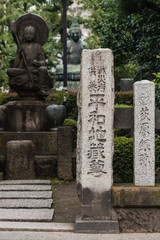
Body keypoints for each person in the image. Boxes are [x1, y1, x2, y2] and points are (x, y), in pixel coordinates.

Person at [7, 24, 53, 98]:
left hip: (35, 69)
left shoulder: (39, 47)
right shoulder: (22, 46)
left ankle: (41, 88)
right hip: (24, 69)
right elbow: (17, 63)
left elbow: (43, 62)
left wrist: (38, 63)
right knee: (9, 71)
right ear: (24, 35)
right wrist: (19, 55)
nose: (29, 36)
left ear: (34, 35)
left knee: (43, 69)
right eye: (27, 34)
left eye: (31, 34)